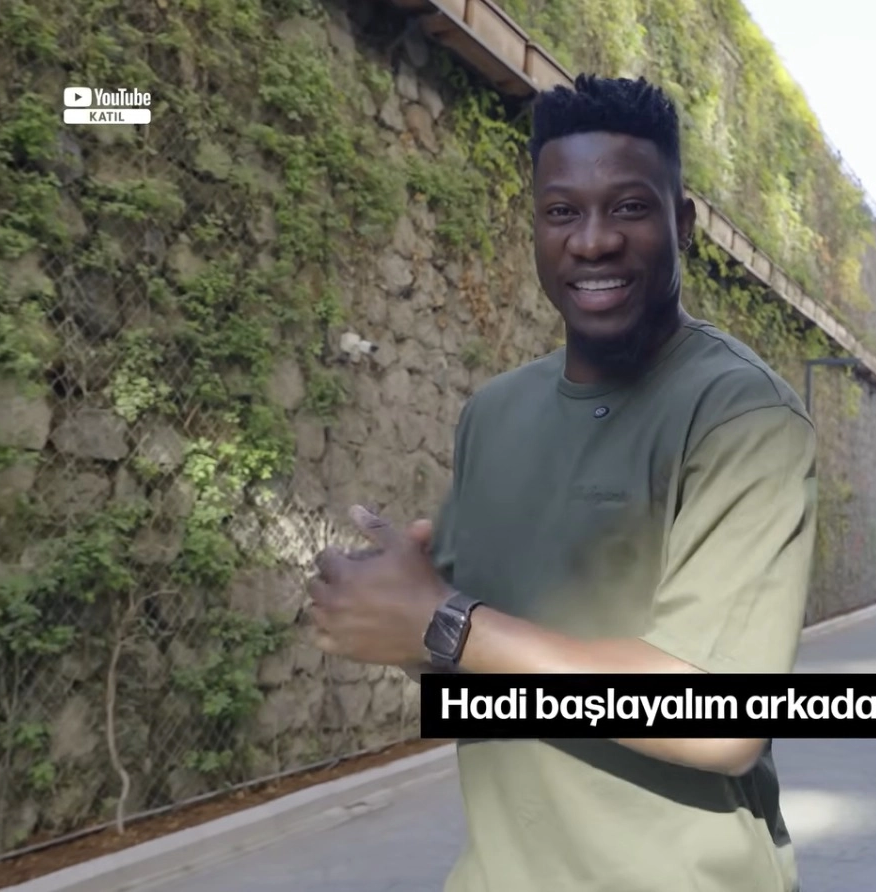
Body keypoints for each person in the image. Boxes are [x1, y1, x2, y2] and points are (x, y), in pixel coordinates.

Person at [304, 74, 817, 892]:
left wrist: (442, 621)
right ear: (536, 229)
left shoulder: (741, 415)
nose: (593, 241)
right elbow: (475, 666)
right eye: (562, 212)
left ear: (682, 224)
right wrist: (390, 610)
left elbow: (721, 724)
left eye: (629, 207)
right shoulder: (494, 413)